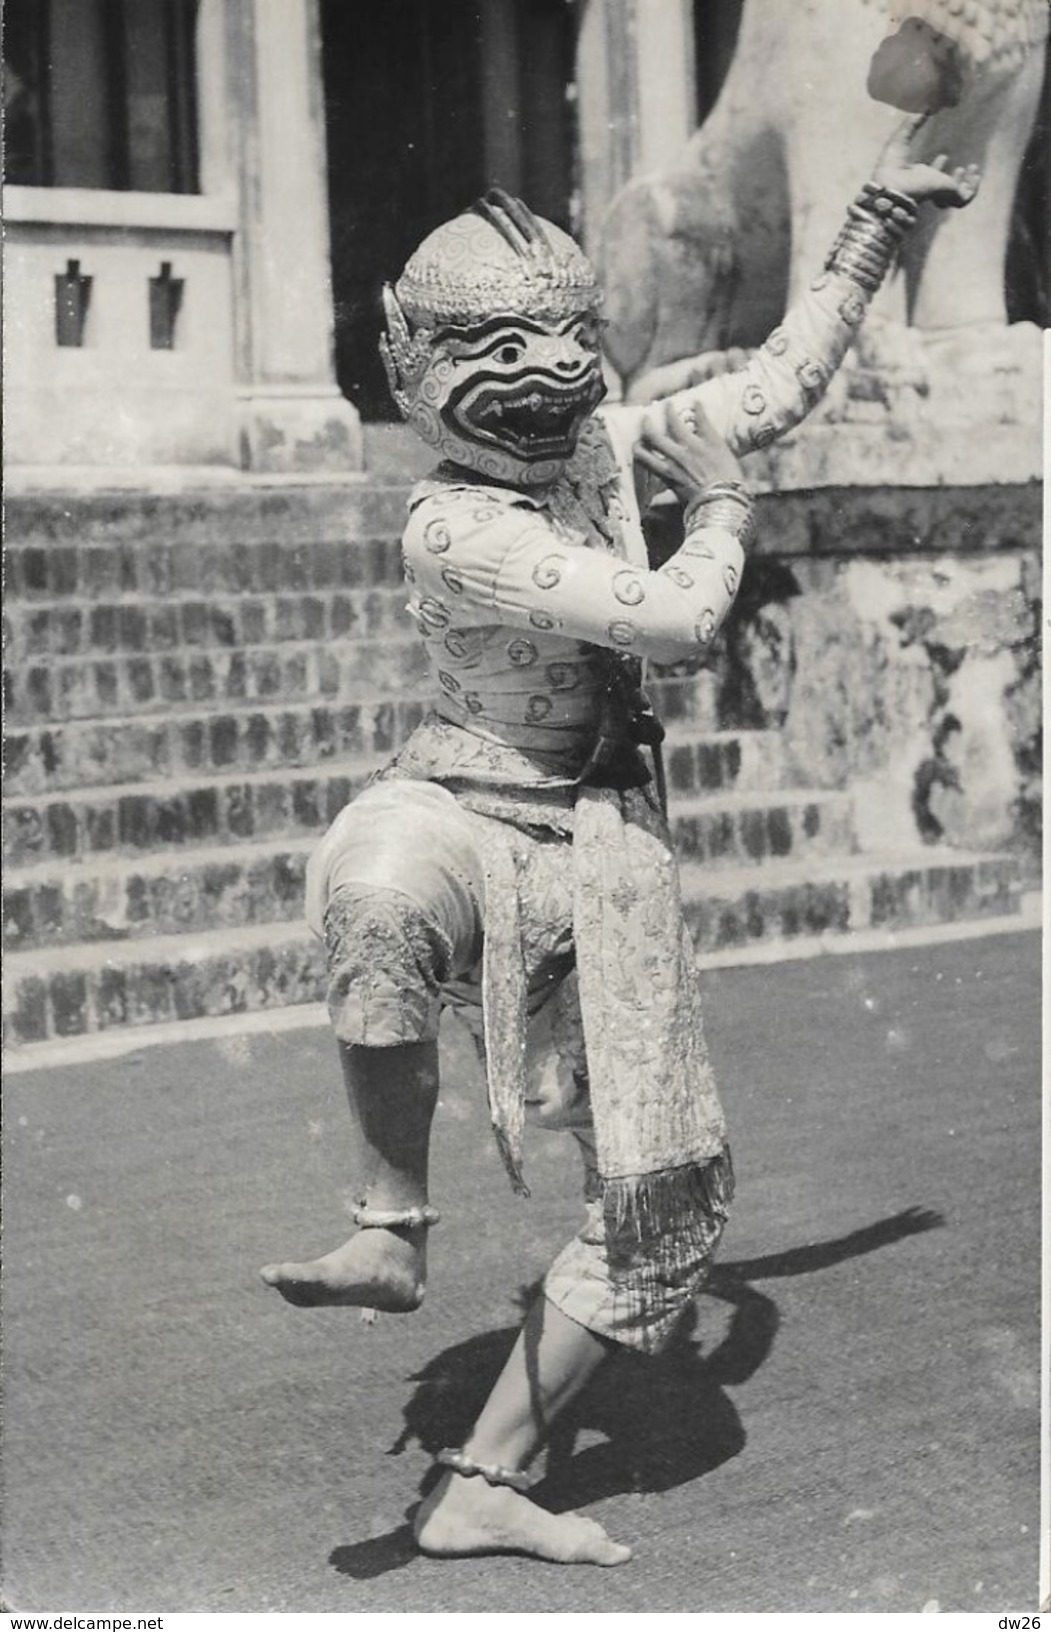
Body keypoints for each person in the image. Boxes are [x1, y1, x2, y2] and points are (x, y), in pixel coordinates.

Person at [261, 122, 977, 1565]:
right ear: (413, 376)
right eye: (492, 350)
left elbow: (768, 387)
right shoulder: (449, 524)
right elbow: (673, 615)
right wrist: (716, 506)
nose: (537, 375)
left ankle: (487, 1480)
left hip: (601, 844)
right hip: (466, 804)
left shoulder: (596, 441)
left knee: (665, 1202)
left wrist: (873, 226)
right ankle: (390, 1222)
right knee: (373, 881)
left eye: (559, 339)